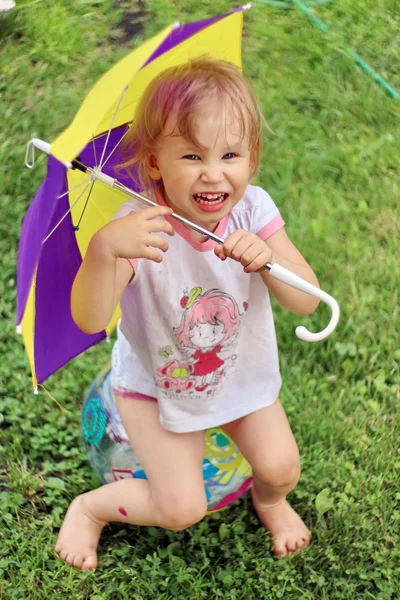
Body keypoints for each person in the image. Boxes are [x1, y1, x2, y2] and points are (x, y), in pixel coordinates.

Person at [55, 58, 320, 571]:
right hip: (156, 386)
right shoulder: (140, 228)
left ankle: (268, 502)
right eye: (192, 155)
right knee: (180, 508)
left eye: (230, 154)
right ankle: (89, 509)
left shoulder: (253, 213)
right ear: (154, 162)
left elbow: (306, 300)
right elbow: (89, 319)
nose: (213, 172)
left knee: (283, 468)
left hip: (237, 373)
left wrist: (272, 264)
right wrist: (104, 251)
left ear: (251, 158)